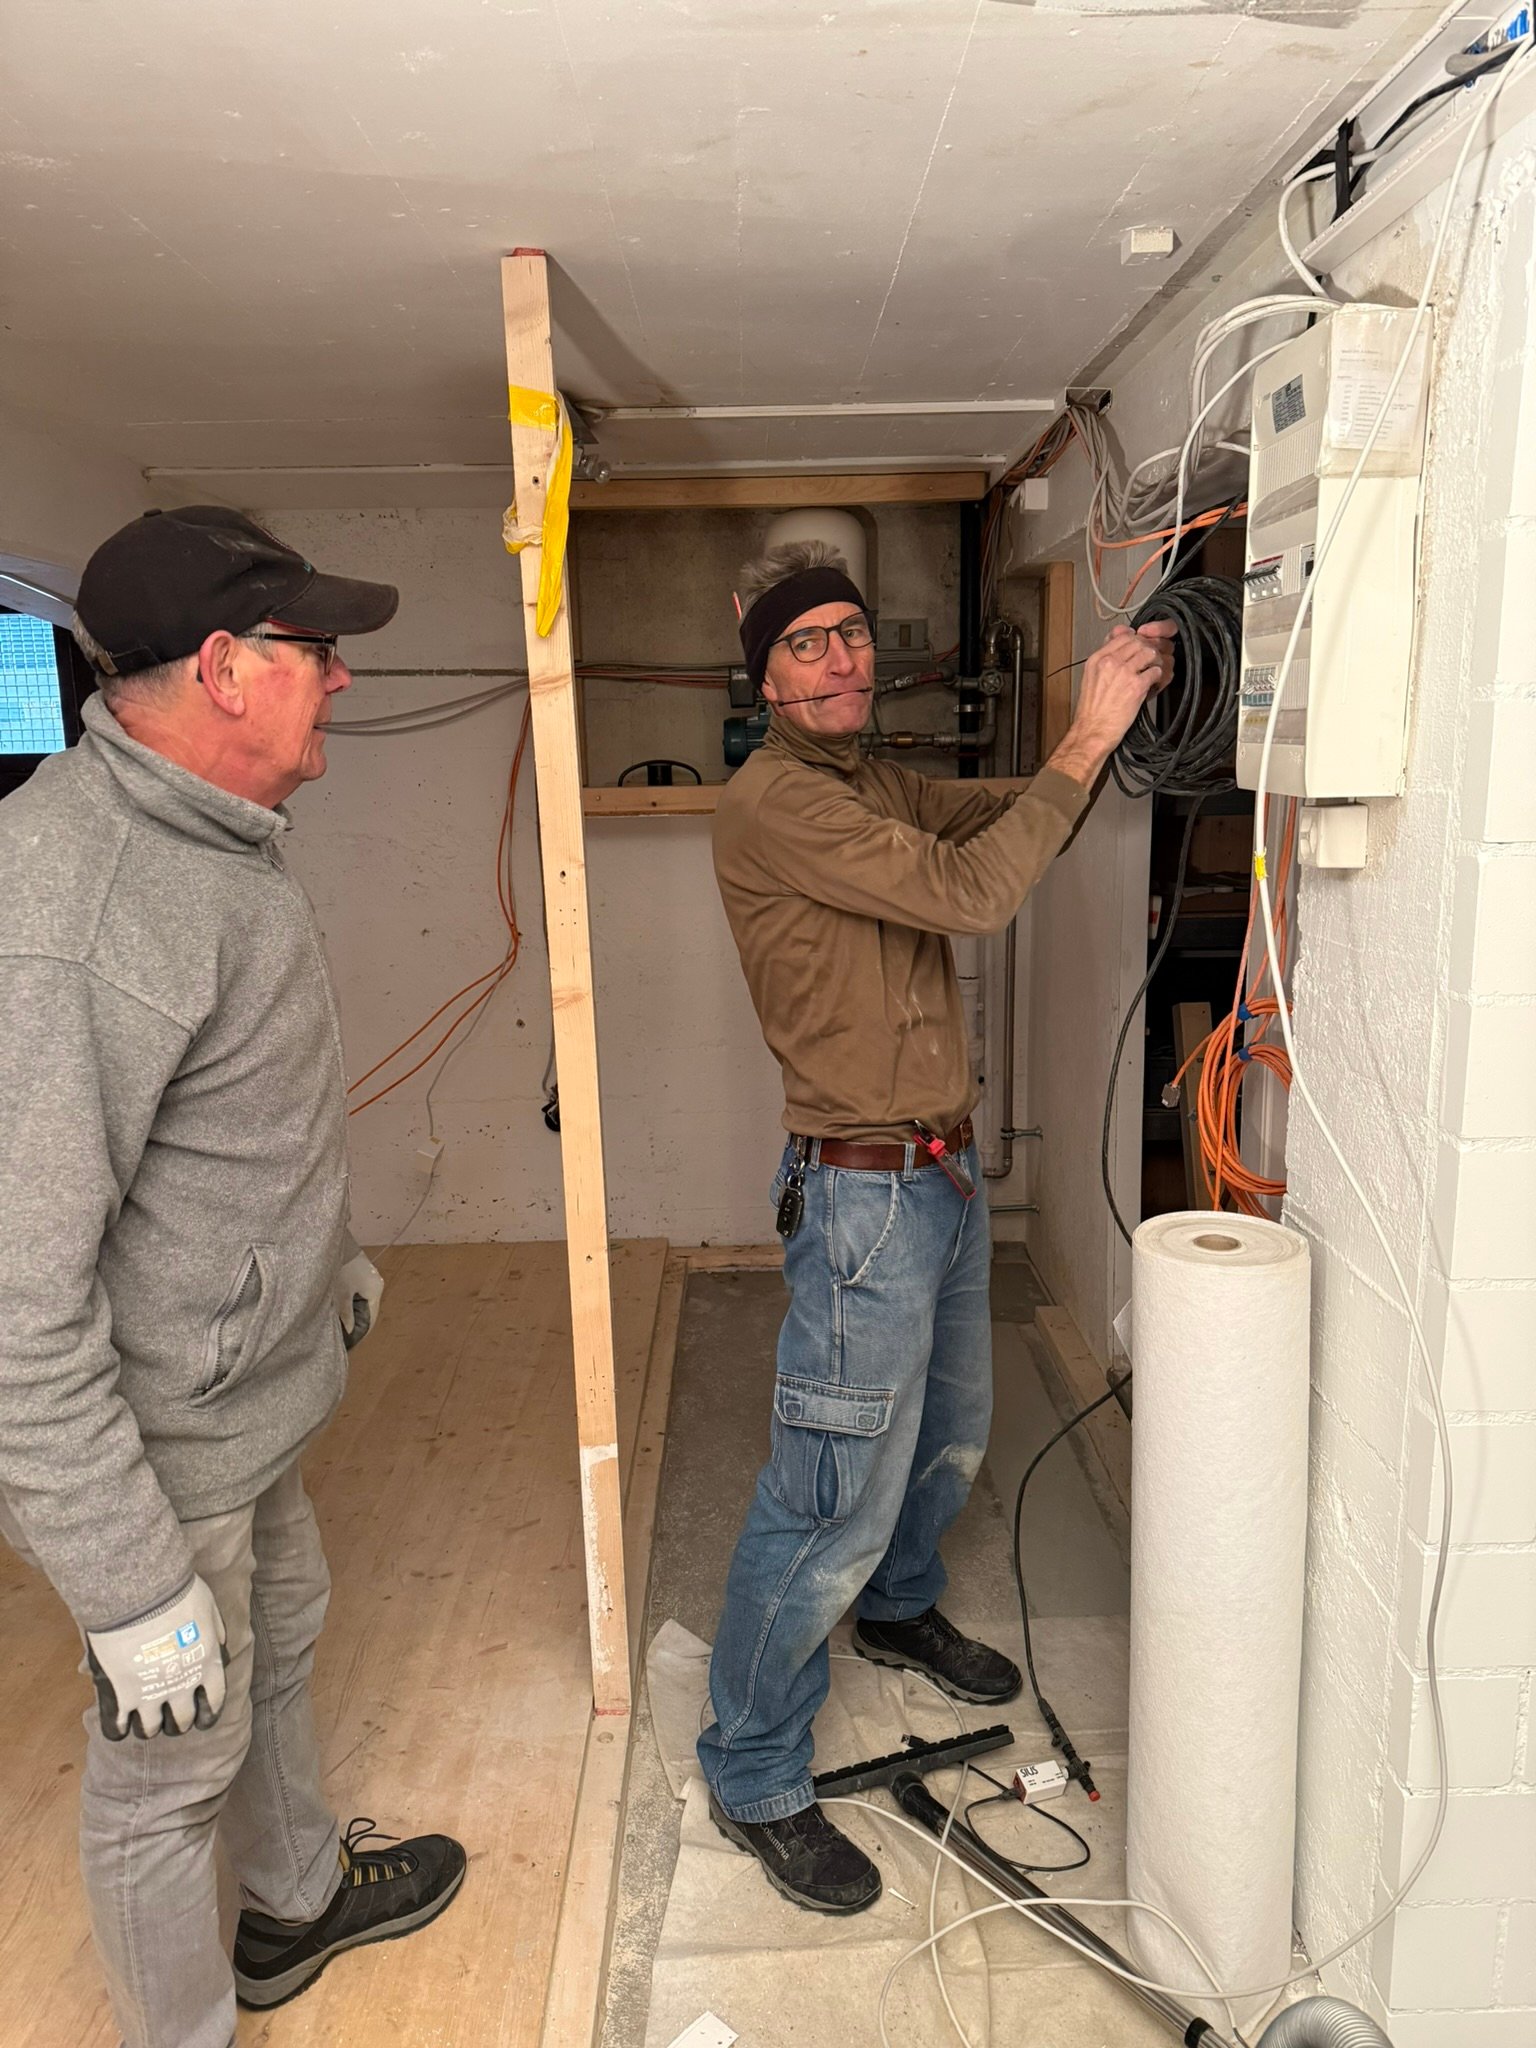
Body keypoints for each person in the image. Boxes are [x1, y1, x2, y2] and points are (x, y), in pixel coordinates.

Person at [0, 507, 465, 2048]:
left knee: (284, 1637)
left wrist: (315, 1275)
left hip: (244, 1404)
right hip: (158, 1456)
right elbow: (16, 1303)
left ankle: (294, 1903)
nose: (341, 677)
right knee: (166, 1766)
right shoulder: (80, 906)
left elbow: (217, 1141)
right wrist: (132, 1591)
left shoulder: (204, 837)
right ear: (222, 667)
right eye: (315, 649)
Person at [697, 539, 1175, 1912]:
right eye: (805, 643)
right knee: (827, 1491)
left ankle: (900, 1611)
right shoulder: (777, 801)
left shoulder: (867, 781)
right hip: (864, 1196)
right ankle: (753, 1767)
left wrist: (1106, 737)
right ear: (767, 676)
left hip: (942, 1178)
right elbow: (974, 891)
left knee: (947, 1432)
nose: (839, 658)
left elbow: (999, 818)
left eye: (851, 632)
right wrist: (1087, 732)